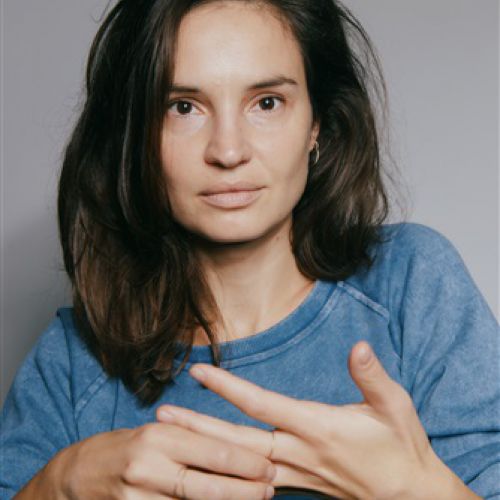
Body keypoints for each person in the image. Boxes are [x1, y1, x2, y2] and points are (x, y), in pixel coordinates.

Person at [1, 0, 499, 498]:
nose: (228, 151)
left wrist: (413, 488)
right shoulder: (73, 361)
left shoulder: (412, 285)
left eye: (267, 103)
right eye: (183, 107)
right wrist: (59, 484)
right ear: (135, 136)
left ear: (317, 123)